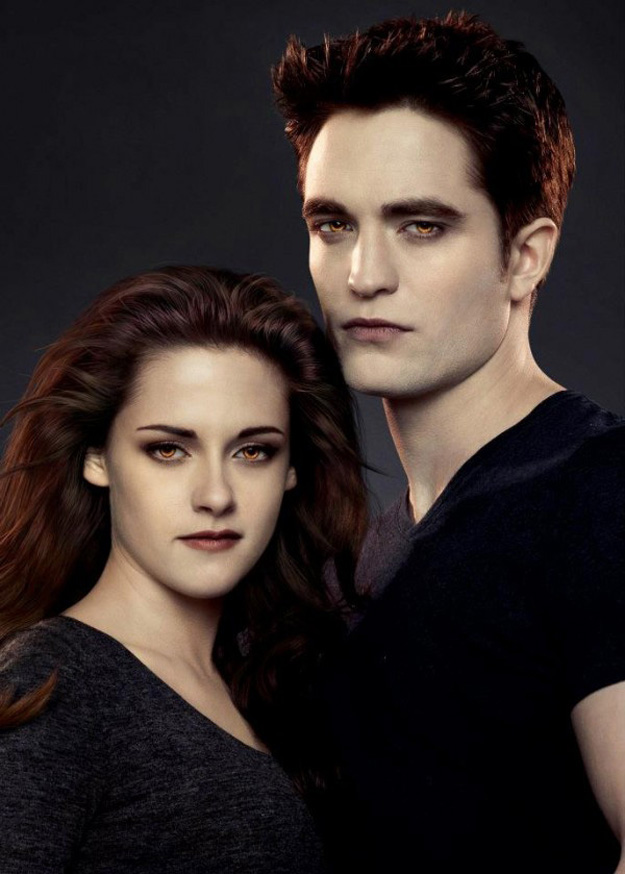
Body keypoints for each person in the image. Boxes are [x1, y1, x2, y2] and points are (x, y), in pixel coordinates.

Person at [272, 11, 625, 873]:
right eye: (333, 225)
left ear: (525, 256)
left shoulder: (601, 493)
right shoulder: (361, 559)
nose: (363, 276)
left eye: (420, 226)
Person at [0, 265, 368, 873]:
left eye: (253, 451)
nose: (216, 496)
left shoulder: (274, 689)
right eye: (168, 449)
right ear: (97, 456)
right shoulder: (51, 685)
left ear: (292, 470)